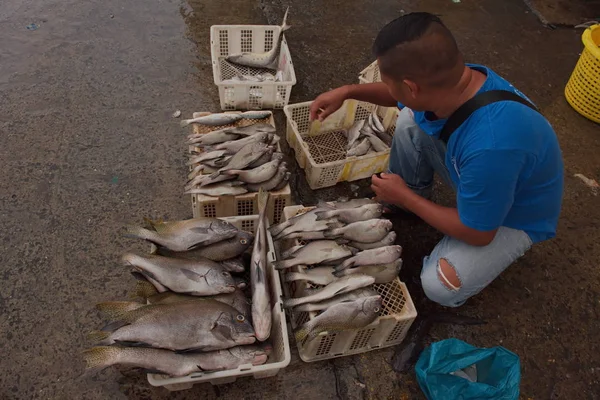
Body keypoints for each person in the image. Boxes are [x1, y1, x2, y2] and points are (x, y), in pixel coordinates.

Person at [309, 12, 564, 307]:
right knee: (410, 119)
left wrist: (405, 196)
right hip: (486, 175)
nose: (391, 90)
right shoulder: (456, 79)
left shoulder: (491, 146)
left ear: (411, 86)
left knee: (441, 284)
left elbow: (479, 234)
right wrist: (348, 92)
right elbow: (399, 97)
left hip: (514, 215)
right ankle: (414, 199)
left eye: (390, 82)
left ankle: (413, 202)